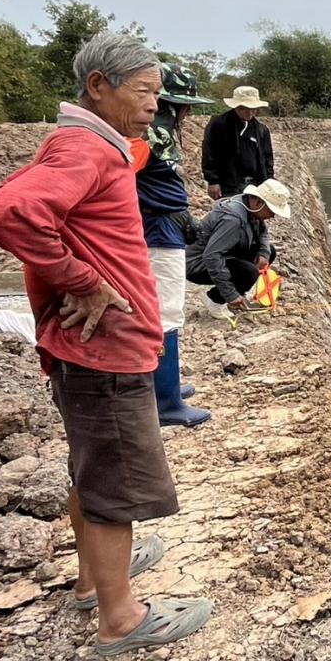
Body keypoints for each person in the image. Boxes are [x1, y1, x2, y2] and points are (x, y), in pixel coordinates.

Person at [0, 31, 212, 655]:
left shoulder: (96, 145)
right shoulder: (85, 147)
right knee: (113, 481)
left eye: (158, 95)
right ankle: (121, 618)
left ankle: (93, 580)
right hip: (102, 349)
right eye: (144, 92)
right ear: (99, 86)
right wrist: (83, 280)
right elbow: (7, 214)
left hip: (98, 348)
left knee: (96, 467)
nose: (154, 107)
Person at [133, 63, 212, 427]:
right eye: (186, 104)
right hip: (159, 232)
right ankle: (165, 403)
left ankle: (170, 387)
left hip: (167, 227)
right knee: (165, 313)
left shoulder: (158, 131)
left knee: (167, 310)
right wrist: (159, 209)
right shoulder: (148, 136)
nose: (189, 111)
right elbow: (124, 178)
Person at [186, 179, 291, 318]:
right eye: (272, 211)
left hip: (225, 253)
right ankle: (215, 300)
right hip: (197, 265)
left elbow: (262, 233)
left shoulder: (250, 208)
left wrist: (264, 253)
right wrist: (230, 294)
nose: (273, 216)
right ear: (259, 203)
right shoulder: (232, 220)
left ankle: (234, 292)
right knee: (249, 273)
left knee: (269, 251)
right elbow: (212, 256)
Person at [200, 85, 274, 199]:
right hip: (229, 185)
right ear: (236, 107)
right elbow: (209, 153)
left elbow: (268, 158)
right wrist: (213, 180)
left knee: (252, 215)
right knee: (231, 214)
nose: (249, 112)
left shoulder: (261, 130)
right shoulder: (219, 124)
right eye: (244, 108)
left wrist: (268, 182)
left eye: (253, 109)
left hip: (256, 185)